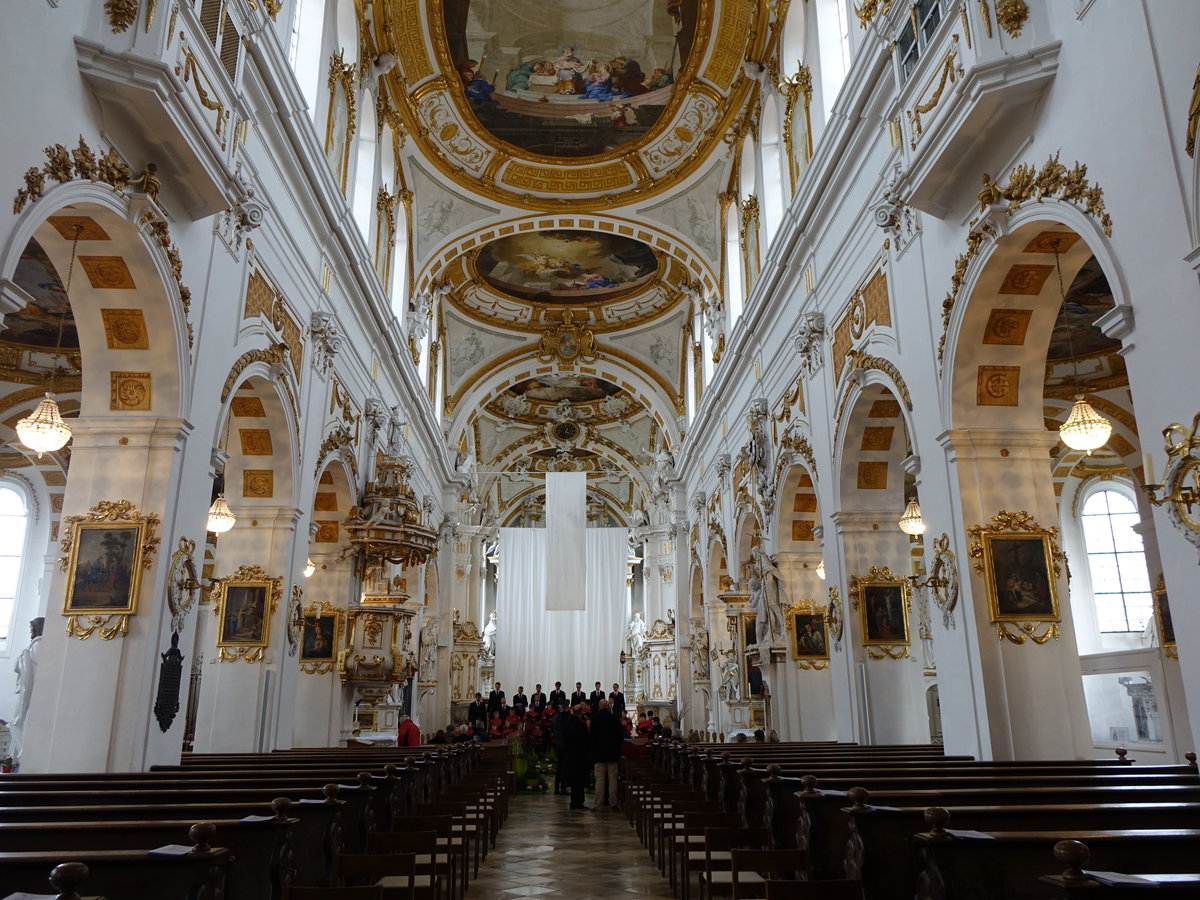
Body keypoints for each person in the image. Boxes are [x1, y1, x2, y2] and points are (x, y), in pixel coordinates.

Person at [589, 698, 624, 811]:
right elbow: (620, 736)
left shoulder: (595, 719)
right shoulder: (614, 718)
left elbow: (592, 737)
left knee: (599, 780)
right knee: (613, 779)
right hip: (612, 753)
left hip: (599, 754)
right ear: (608, 706)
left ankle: (598, 804)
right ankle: (613, 803)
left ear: (599, 706)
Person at [560, 704, 591, 809]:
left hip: (570, 755)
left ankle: (574, 802)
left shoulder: (568, 724)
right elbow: (586, 742)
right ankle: (579, 802)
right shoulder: (581, 725)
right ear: (581, 713)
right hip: (580, 756)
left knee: (574, 781)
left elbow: (564, 738)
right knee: (579, 781)